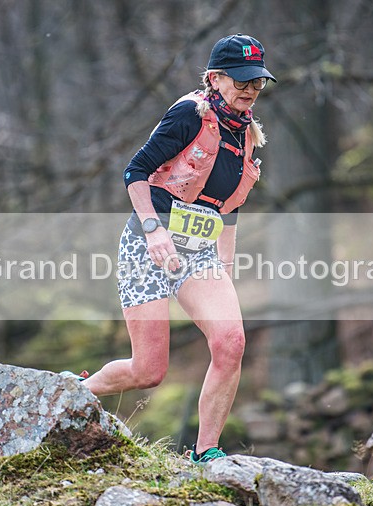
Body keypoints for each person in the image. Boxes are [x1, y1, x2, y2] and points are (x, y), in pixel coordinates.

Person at [78, 34, 276, 464]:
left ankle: (206, 452)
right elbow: (135, 172)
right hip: (147, 246)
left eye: (256, 82)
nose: (248, 89)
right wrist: (153, 231)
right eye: (239, 80)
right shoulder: (190, 114)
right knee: (149, 372)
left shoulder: (246, 133)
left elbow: (229, 209)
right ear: (215, 78)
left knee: (231, 342)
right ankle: (74, 392)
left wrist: (225, 263)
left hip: (199, 253)